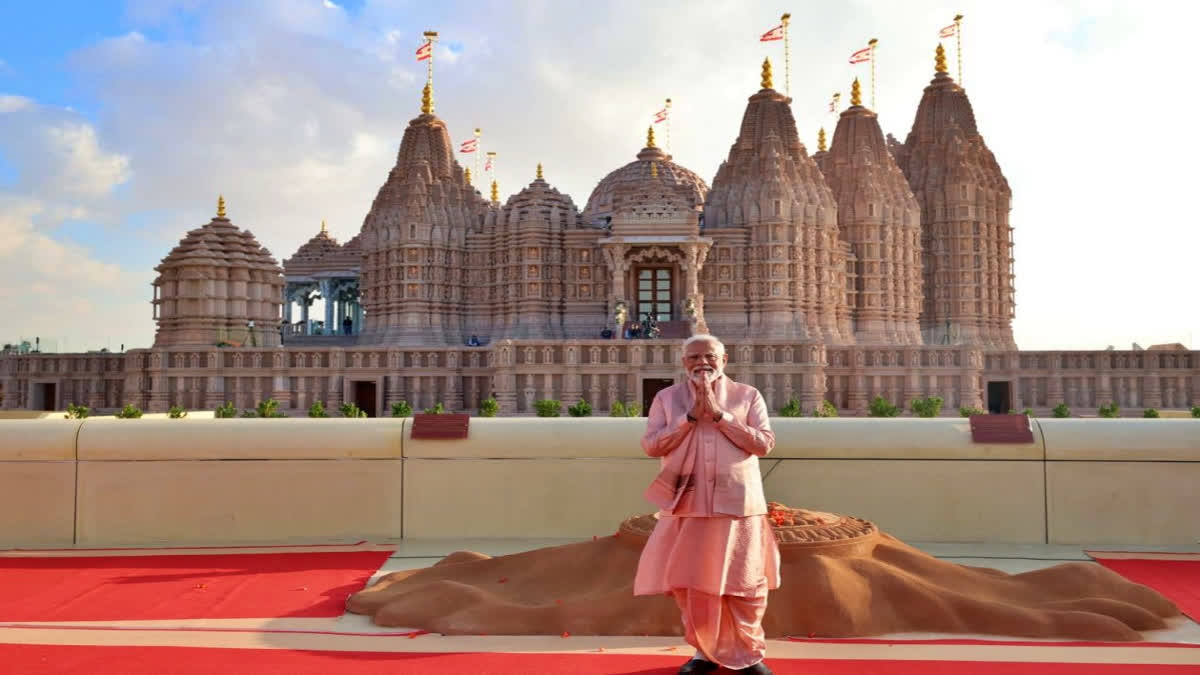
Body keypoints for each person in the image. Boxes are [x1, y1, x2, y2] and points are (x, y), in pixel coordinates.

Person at [634, 334, 779, 675]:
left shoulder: (748, 396)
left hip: (739, 502)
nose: (703, 362)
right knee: (693, 584)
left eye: (710, 356)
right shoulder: (667, 399)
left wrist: (719, 416)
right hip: (687, 502)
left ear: (724, 359)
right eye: (694, 357)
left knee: (746, 583)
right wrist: (688, 419)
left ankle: (749, 654)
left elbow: (764, 444)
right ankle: (703, 652)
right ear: (684, 362)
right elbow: (652, 446)